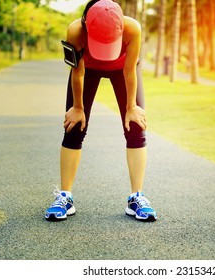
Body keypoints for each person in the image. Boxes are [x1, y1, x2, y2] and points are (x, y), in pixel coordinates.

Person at [45, 0, 157, 222]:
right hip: (89, 68)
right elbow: (77, 73)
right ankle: (65, 197)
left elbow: (130, 71)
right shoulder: (75, 31)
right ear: (86, 25)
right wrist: (77, 108)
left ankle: (136, 198)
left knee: (135, 124)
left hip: (122, 69)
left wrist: (131, 107)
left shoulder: (132, 27)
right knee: (74, 126)